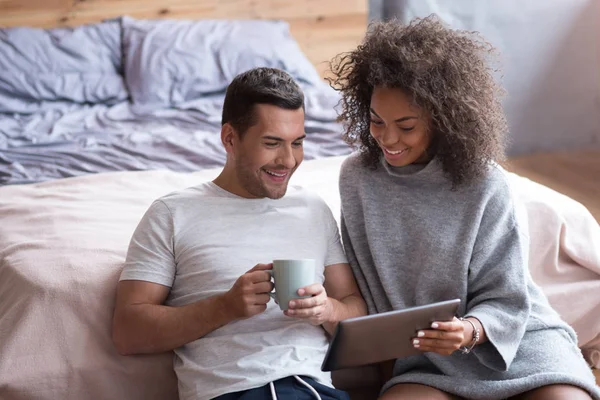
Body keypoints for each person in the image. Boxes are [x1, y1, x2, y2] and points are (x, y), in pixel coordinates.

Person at [329, 16, 600, 400]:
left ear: (442, 118)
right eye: (376, 121)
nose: (388, 138)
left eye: (406, 126)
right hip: (428, 359)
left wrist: (469, 330)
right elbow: (369, 289)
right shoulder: (357, 178)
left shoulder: (484, 182)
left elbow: (507, 295)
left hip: (514, 344)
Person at [111, 67, 367, 400]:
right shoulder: (173, 213)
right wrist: (225, 307)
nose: (288, 160)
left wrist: (326, 310)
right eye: (272, 144)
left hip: (313, 389)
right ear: (230, 138)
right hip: (232, 392)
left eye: (298, 143)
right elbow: (128, 331)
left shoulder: (313, 209)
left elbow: (355, 310)